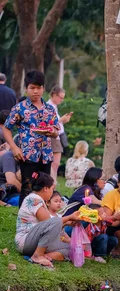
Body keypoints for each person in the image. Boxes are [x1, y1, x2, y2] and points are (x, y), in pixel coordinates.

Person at [2, 71, 59, 207]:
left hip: (46, 155)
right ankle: (24, 223)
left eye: (38, 88)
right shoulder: (19, 108)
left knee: (46, 188)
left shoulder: (50, 109)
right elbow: (6, 128)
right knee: (27, 189)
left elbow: (56, 131)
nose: (35, 91)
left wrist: (53, 133)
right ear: (26, 88)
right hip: (27, 156)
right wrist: (14, 147)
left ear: (43, 88)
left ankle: (43, 222)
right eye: (32, 88)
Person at [15, 172, 79, 268]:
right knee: (56, 221)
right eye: (52, 189)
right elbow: (50, 222)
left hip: (34, 241)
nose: (52, 192)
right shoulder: (34, 199)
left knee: (70, 249)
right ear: (45, 188)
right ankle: (37, 256)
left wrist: (67, 223)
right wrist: (69, 218)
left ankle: (43, 256)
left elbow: (51, 225)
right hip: (25, 241)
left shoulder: (38, 199)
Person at [47, 86, 73, 181]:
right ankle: (52, 181)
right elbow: (49, 123)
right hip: (53, 136)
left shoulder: (54, 107)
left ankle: (52, 181)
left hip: (57, 135)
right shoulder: (48, 106)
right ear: (54, 95)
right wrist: (61, 120)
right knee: (54, 163)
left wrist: (62, 120)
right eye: (60, 97)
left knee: (55, 163)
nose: (61, 100)